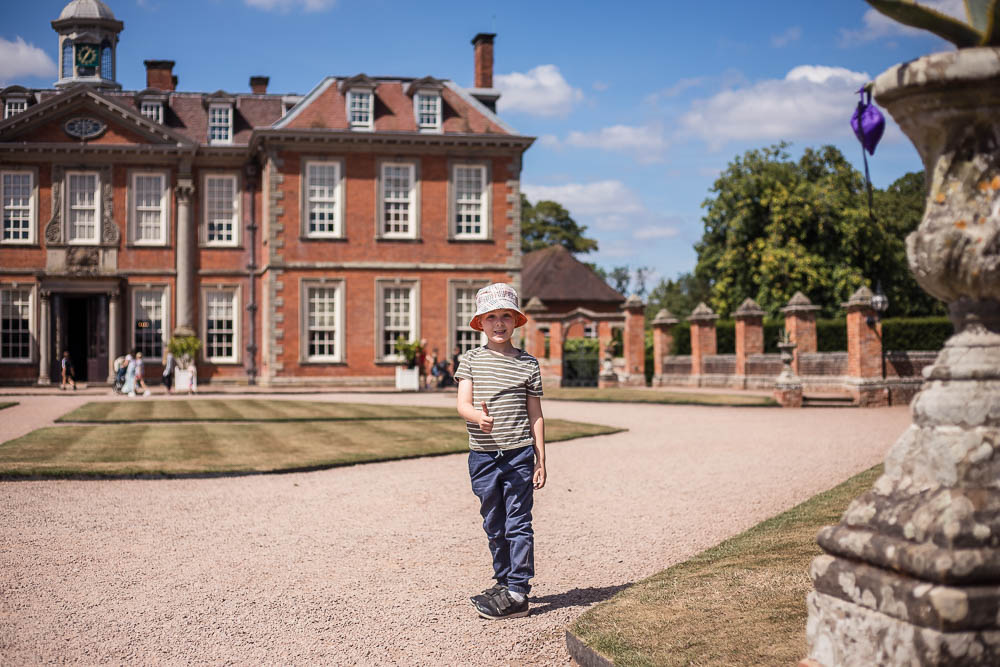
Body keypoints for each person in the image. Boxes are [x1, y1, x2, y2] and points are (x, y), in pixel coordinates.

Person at [455, 282, 546, 620]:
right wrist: (477, 416)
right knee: (494, 522)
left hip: (519, 454)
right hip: (483, 456)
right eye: (491, 316)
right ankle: (504, 581)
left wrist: (541, 458)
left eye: (505, 315)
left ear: (516, 321)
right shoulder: (472, 360)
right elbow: (462, 403)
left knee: (518, 522)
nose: (498, 323)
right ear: (480, 323)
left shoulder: (528, 364)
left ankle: (519, 592)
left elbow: (535, 414)